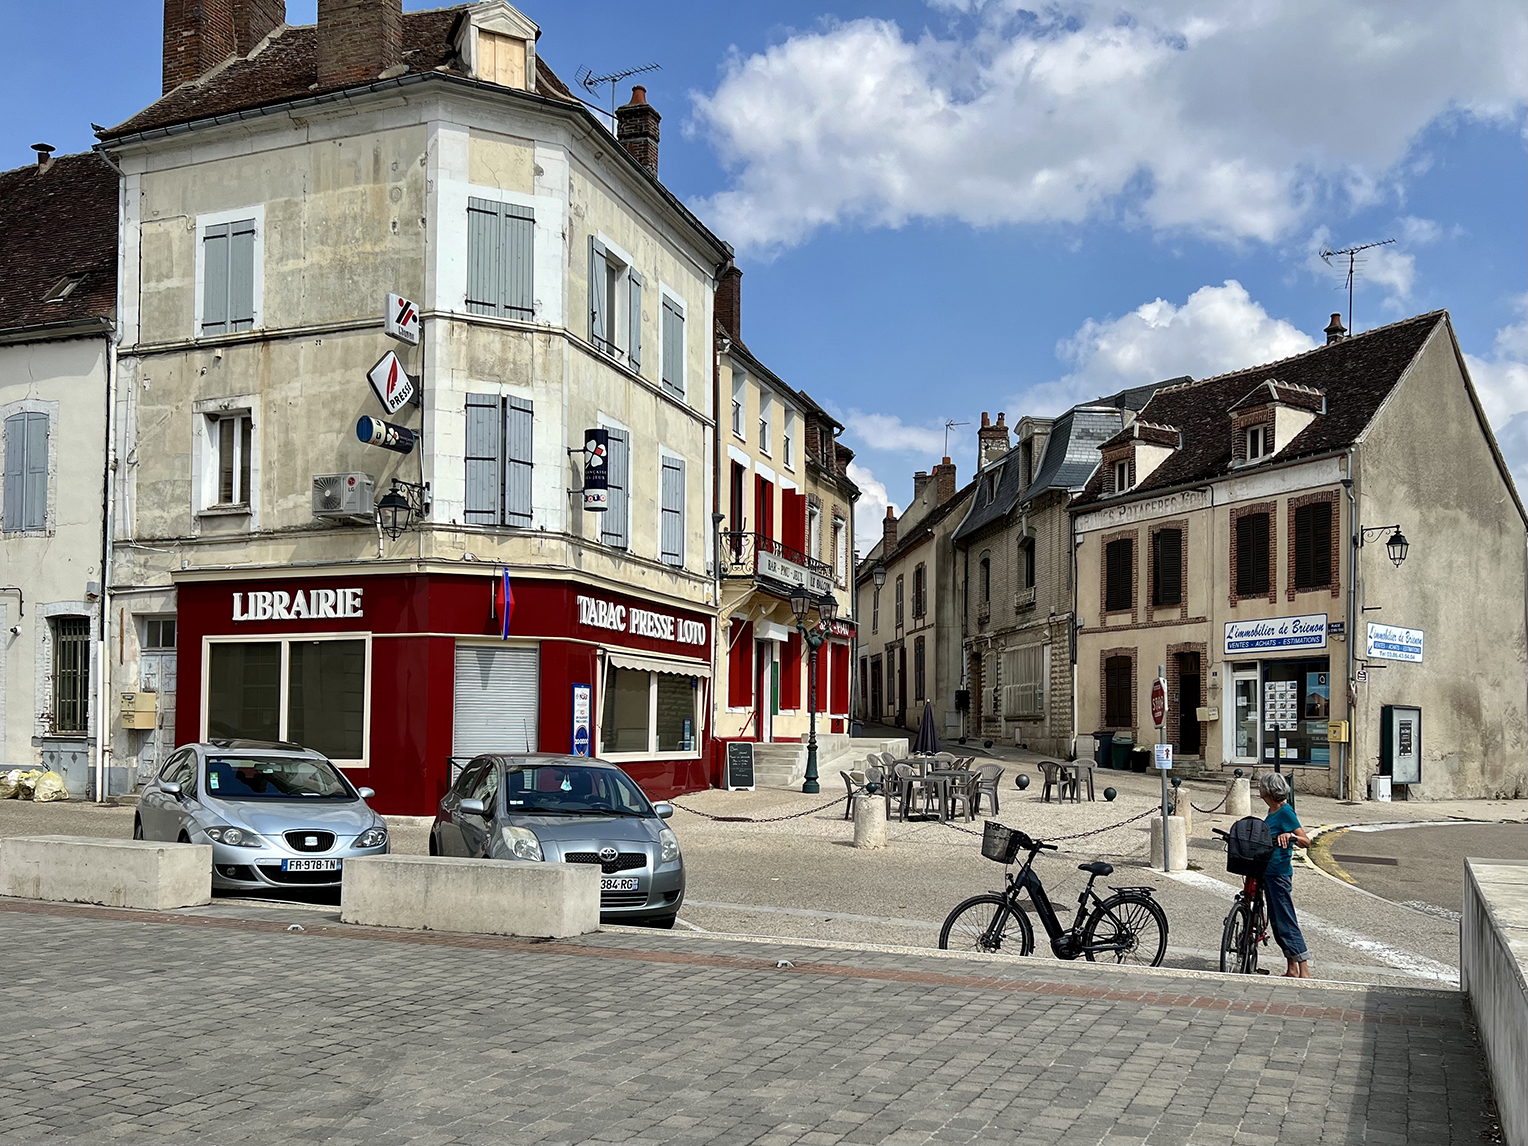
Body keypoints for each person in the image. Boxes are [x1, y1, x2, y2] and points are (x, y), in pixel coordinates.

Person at [1259, 771, 1313, 978]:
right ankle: (1291, 968)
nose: (1259, 788)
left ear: (1268, 790)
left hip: (1279, 874)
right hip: (1268, 872)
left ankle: (1304, 970)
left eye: (1261, 785)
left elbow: (1306, 841)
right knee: (1277, 922)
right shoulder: (1272, 811)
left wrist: (1290, 835)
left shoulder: (1285, 812)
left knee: (1286, 920)